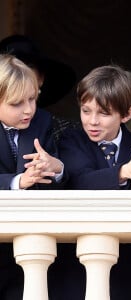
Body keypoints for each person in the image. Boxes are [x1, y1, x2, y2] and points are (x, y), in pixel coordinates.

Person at [58, 64, 131, 299]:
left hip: (128, 264)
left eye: (104, 113)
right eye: (86, 111)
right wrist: (123, 172)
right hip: (78, 262)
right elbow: (77, 182)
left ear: (127, 114)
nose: (92, 121)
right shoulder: (70, 140)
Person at [0, 53, 70, 298]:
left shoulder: (44, 122)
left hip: (32, 246)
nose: (28, 109)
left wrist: (56, 167)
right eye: (16, 103)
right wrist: (17, 182)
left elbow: (63, 184)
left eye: (32, 99)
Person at [0, 34, 78, 142]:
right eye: (10, 70)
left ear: (41, 78)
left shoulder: (64, 132)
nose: (20, 73)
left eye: (26, 67)